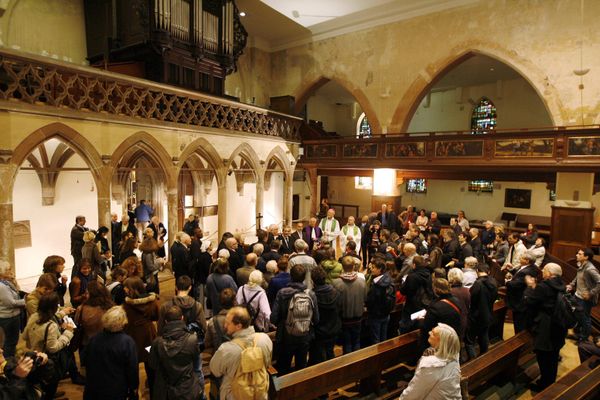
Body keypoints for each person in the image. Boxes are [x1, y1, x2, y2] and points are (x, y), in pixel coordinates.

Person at [21, 292, 79, 398]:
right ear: (53, 308)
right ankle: (49, 396)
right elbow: (53, 348)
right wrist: (68, 332)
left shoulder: (34, 316)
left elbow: (25, 335)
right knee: (51, 380)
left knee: (42, 380)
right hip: (49, 360)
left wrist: (62, 314)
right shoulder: (51, 326)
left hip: (36, 355)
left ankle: (47, 394)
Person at [209, 307, 273, 400]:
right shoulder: (265, 339)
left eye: (228, 323)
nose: (225, 325)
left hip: (235, 395)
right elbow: (267, 363)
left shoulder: (226, 349)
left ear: (238, 326)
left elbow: (215, 370)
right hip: (260, 393)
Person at [524, 262, 567, 391]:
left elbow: (529, 301)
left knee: (543, 356)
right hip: (559, 325)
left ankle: (544, 385)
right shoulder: (561, 284)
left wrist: (531, 286)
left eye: (544, 270)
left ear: (549, 273)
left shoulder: (543, 286)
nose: (542, 271)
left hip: (545, 327)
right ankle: (550, 381)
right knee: (553, 356)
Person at [270, 264, 319, 375]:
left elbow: (273, 318)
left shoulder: (282, 293)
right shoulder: (310, 294)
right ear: (304, 278)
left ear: (290, 276)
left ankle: (283, 391)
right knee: (301, 367)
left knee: (283, 367)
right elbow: (316, 319)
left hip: (286, 335)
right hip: (305, 334)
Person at [83, 306, 139, 400]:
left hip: (94, 388)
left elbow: (86, 361)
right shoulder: (127, 342)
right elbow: (132, 369)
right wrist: (134, 387)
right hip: (116, 389)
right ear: (123, 322)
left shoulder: (94, 339)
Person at [150, 306, 202, 400]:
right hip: (187, 389)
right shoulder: (192, 339)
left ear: (165, 321)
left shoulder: (157, 343)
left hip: (165, 390)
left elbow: (153, 365)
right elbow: (195, 362)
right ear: (182, 318)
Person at [400, 323, 462, 400]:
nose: (429, 332)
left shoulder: (431, 366)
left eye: (433, 333)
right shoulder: (453, 356)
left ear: (441, 342)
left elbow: (415, 392)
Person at [122, 276, 160, 397]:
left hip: (132, 339)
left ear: (132, 289)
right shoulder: (152, 301)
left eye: (126, 287)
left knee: (132, 368)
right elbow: (156, 316)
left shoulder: (126, 306)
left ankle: (134, 395)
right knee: (151, 366)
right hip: (149, 338)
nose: (124, 289)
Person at [73, 280, 114, 364]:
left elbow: (76, 323)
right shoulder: (111, 307)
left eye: (87, 293)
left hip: (88, 344)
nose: (85, 295)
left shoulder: (81, 309)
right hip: (109, 344)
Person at [332, 255, 366, 353]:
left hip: (344, 318)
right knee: (356, 342)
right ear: (353, 266)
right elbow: (365, 298)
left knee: (347, 343)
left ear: (342, 267)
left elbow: (335, 302)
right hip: (358, 317)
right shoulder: (362, 282)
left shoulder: (336, 283)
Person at [419, 278, 462, 354]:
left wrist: (422, 320)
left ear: (435, 289)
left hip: (440, 342)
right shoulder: (457, 300)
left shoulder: (435, 306)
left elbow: (426, 328)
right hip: (454, 337)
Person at [309, 266, 341, 365]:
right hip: (333, 329)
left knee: (320, 357)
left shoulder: (312, 296)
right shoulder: (335, 292)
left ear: (312, 280)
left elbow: (312, 316)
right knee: (330, 352)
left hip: (319, 331)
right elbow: (339, 309)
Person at [465, 263, 498, 360]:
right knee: (483, 336)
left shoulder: (478, 284)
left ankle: (473, 360)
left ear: (477, 272)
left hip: (476, 316)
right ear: (488, 271)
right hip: (488, 314)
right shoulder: (493, 281)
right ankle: (484, 356)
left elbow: (471, 298)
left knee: (469, 340)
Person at [567, 247, 600, 342]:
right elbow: (578, 276)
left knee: (585, 318)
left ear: (586, 257)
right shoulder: (581, 264)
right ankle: (577, 333)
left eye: (580, 254)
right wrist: (572, 285)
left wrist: (591, 293)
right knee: (577, 314)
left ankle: (583, 338)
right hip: (578, 295)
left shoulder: (590, 269)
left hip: (585, 299)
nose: (577, 255)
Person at [505, 253, 539, 333]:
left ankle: (519, 340)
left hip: (519, 301)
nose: (520, 259)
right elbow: (519, 275)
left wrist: (507, 282)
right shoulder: (532, 267)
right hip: (523, 299)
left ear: (527, 261)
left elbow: (515, 285)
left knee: (519, 324)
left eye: (522, 258)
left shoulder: (526, 271)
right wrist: (512, 270)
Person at [399, 256, 432, 334]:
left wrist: (404, 283)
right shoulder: (428, 274)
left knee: (407, 326)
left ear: (414, 265)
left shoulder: (412, 276)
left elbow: (404, 291)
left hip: (411, 305)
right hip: (424, 304)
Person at [0, 260, 26, 358]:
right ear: (2, 272)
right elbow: (11, 303)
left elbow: (17, 292)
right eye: (8, 269)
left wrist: (14, 280)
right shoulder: (2, 286)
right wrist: (26, 301)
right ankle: (8, 364)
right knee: (10, 342)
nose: (11, 271)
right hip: (9, 317)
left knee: (11, 341)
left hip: (11, 316)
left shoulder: (6, 282)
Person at [365, 259, 394, 344]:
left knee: (376, 339)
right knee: (383, 337)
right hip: (386, 314)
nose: (371, 269)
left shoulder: (377, 285)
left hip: (376, 315)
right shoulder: (389, 280)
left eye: (374, 268)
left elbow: (370, 301)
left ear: (380, 269)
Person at [204, 287, 236, 356]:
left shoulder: (212, 321)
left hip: (219, 355)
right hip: (236, 356)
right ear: (234, 302)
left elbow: (207, 343)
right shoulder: (240, 319)